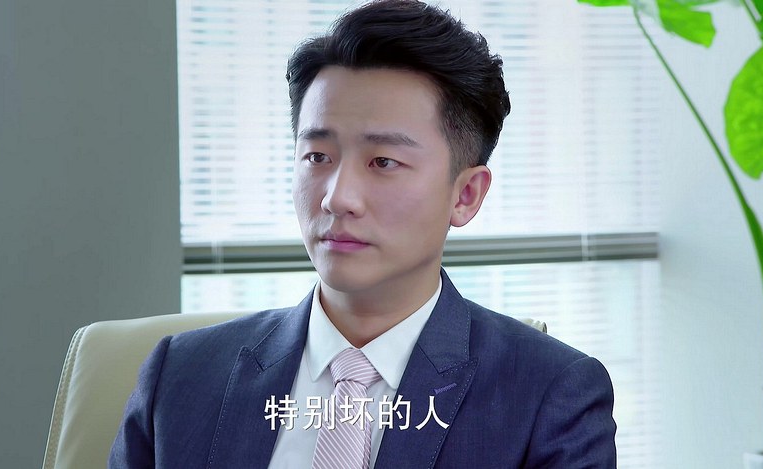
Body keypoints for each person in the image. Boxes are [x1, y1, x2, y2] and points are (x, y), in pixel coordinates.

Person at [109, 0, 617, 467]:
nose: (337, 198)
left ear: (465, 195)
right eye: (317, 156)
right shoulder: (181, 376)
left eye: (383, 162)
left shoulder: (550, 395)